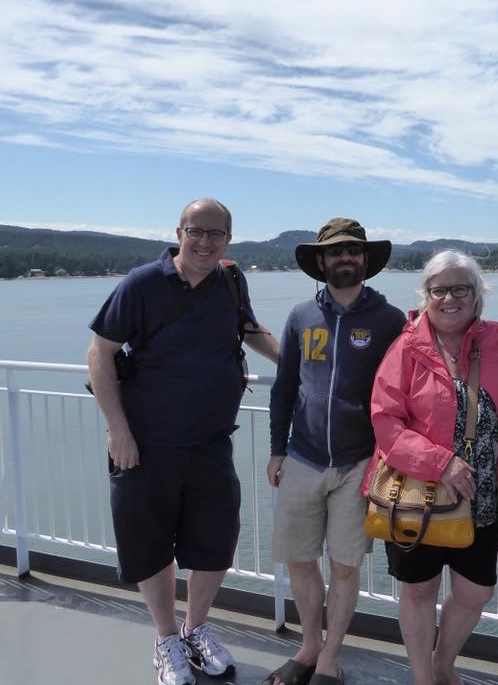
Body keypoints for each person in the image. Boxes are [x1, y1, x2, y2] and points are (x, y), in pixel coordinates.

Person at [87, 197, 279, 685]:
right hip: (145, 443)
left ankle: (196, 629)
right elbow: (100, 353)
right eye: (197, 232)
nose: (206, 242)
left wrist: (296, 364)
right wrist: (118, 430)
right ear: (179, 234)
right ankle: (166, 637)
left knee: (215, 542)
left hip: (211, 442)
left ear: (229, 240)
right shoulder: (141, 284)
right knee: (150, 545)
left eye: (217, 234)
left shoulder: (231, 280)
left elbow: (248, 328)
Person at [363, 249, 498, 685]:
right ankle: (423, 677)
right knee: (419, 589)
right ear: (425, 295)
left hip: (481, 494)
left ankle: (443, 663)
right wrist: (440, 463)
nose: (449, 299)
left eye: (460, 289)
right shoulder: (406, 347)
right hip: (416, 494)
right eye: (439, 290)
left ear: (477, 294)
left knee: (475, 591)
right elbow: (385, 420)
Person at [265, 218, 406, 685]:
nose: (345, 258)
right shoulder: (300, 316)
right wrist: (277, 450)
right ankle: (309, 647)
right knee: (300, 560)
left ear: (365, 259)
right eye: (335, 251)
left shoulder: (389, 320)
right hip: (302, 457)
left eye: (353, 251)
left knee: (345, 565)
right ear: (321, 261)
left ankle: (330, 658)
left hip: (360, 463)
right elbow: (285, 387)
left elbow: (402, 392)